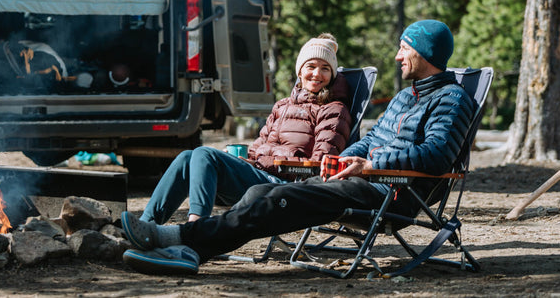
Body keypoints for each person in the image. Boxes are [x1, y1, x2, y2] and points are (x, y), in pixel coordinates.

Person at [120, 19, 477, 275]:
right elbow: (372, 139)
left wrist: (371, 165)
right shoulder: (404, 97)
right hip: (361, 180)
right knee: (260, 190)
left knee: (275, 199)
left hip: (391, 192)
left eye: (405, 48)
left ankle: (182, 240)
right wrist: (352, 155)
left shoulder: (452, 99)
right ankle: (189, 246)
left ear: (424, 51)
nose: (399, 56)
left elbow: (437, 155)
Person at [140, 34, 352, 224]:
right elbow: (258, 148)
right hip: (260, 174)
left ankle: (197, 228)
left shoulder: (334, 110)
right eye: (311, 66)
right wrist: (245, 159)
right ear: (300, 70)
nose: (317, 74)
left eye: (325, 69)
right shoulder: (283, 105)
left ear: (332, 75)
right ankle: (146, 222)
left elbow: (320, 167)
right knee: (187, 157)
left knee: (204, 153)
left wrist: (266, 162)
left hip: (286, 186)